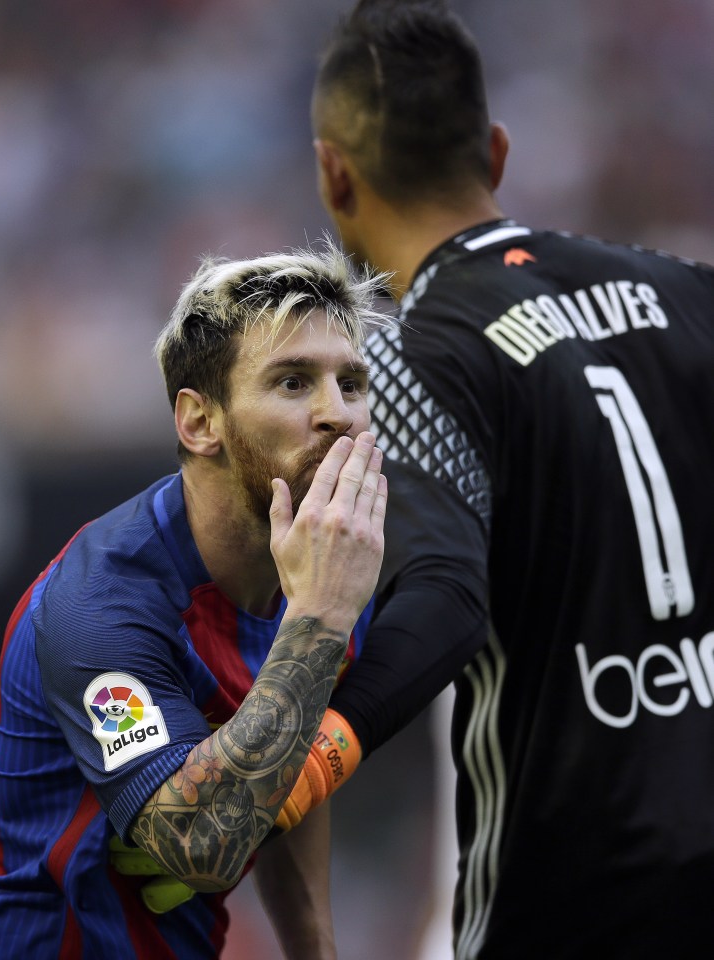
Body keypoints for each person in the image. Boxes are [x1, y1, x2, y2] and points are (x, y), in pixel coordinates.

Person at [302, 0, 714, 957]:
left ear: (334, 174)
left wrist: (299, 760)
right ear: (494, 151)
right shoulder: (686, 292)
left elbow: (442, 601)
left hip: (577, 908)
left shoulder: (406, 357)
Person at [0, 243, 393, 960]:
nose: (336, 414)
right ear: (198, 422)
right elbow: (200, 846)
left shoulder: (321, 570)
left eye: (351, 382)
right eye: (291, 382)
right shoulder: (102, 603)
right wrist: (321, 619)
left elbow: (291, 761)